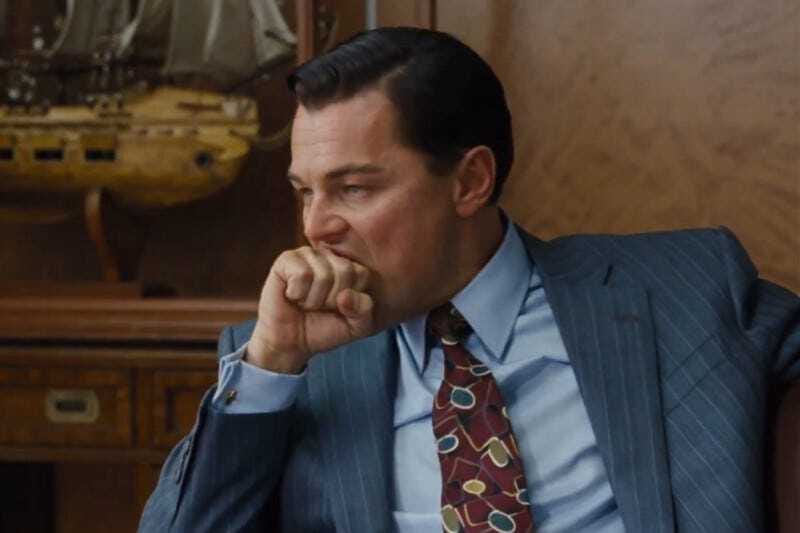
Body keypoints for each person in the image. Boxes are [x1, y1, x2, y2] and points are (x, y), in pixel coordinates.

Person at [139, 27, 799, 533]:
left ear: (470, 181)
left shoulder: (685, 288)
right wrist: (271, 363)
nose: (316, 226)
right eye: (305, 192)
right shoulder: (286, 364)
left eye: (354, 189)